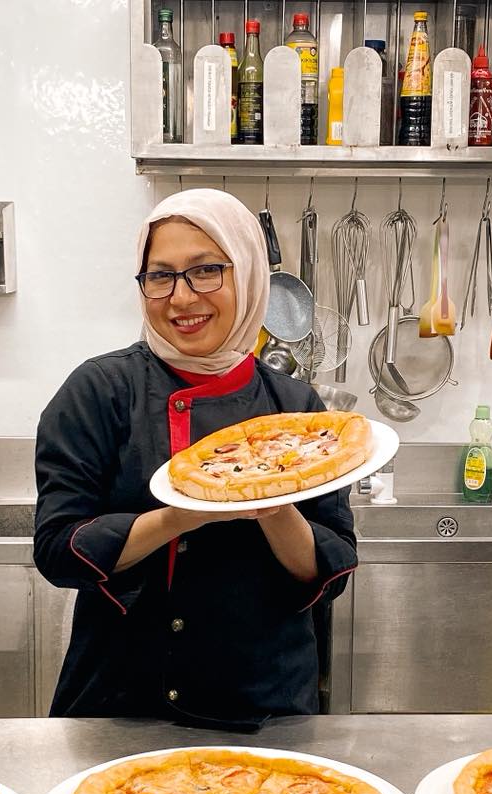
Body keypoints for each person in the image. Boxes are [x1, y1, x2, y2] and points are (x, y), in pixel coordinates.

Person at [33, 188, 358, 730]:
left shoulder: (296, 408)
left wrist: (271, 504)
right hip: (125, 698)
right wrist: (184, 513)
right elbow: (57, 550)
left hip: (267, 699)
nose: (181, 297)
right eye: (160, 275)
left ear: (249, 275)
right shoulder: (100, 390)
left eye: (206, 271)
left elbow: (329, 568)